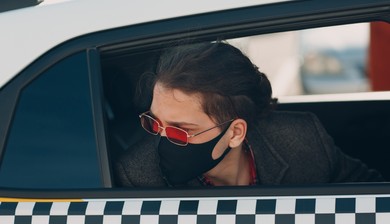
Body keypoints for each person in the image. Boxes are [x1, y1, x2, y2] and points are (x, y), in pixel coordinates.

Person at [115, 41, 383, 187]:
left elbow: (373, 198)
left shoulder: (301, 140)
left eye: (181, 130)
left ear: (235, 132)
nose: (161, 139)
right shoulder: (138, 175)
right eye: (153, 123)